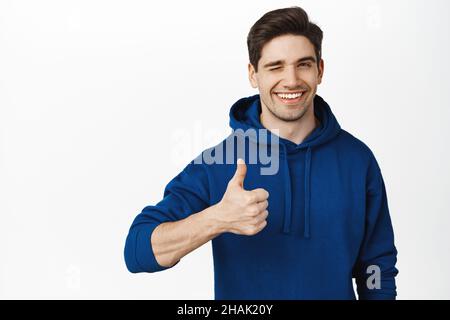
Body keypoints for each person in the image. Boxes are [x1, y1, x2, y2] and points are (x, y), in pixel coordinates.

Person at [124, 6, 398, 300]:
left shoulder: (358, 160)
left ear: (320, 70)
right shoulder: (221, 162)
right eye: (275, 67)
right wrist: (217, 219)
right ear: (253, 74)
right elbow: (138, 251)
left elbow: (377, 266)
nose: (291, 80)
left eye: (303, 64)